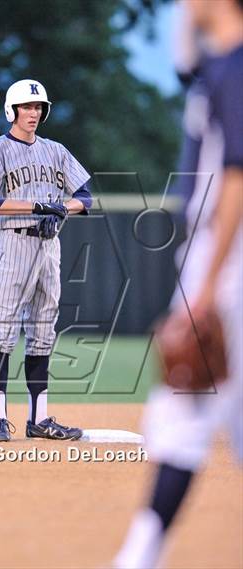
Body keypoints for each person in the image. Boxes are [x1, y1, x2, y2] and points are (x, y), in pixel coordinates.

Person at [112, 1, 243, 567]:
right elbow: (186, 62)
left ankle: (138, 558)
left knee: (181, 413)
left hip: (226, 257)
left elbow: (239, 175)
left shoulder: (236, 69)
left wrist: (209, 285)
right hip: (222, 256)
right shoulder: (220, 66)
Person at [0, 79, 92, 442]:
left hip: (49, 247)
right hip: (12, 242)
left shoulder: (55, 150)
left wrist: (61, 209)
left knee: (43, 333)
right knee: (3, 330)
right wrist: (37, 206)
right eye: (27, 107)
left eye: (38, 107)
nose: (34, 113)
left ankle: (39, 419)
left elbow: (85, 196)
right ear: (12, 110)